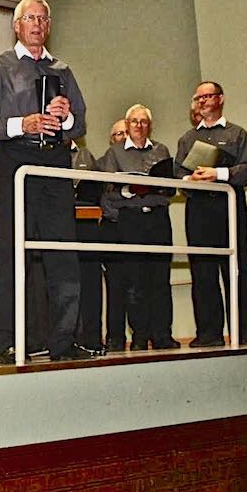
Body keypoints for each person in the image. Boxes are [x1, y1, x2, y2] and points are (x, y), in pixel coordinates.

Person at [0, 0, 88, 364]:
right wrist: (23, 123)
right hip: (17, 160)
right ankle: (5, 340)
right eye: (30, 18)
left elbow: (80, 125)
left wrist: (66, 117)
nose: (37, 24)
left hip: (55, 162)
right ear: (16, 26)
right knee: (13, 253)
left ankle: (64, 340)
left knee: (63, 253)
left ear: (48, 27)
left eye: (42, 19)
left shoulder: (63, 70)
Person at [175, 81, 247, 347]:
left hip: (229, 206)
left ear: (220, 99)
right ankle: (208, 333)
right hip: (198, 209)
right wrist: (191, 179)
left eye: (207, 96)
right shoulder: (187, 139)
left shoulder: (237, 134)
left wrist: (218, 174)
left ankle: (244, 331)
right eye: (198, 98)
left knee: (238, 268)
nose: (202, 101)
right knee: (202, 271)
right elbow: (177, 174)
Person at [100, 105, 177, 350]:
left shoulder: (161, 150)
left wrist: (152, 187)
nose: (139, 126)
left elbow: (170, 189)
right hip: (131, 220)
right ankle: (140, 336)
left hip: (158, 219)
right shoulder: (114, 152)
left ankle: (162, 334)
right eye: (134, 121)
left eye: (143, 122)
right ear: (127, 124)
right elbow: (109, 191)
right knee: (134, 280)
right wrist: (130, 189)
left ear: (149, 126)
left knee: (160, 278)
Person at [71, 140, 104, 353]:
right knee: (64, 284)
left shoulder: (86, 155)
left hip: (87, 223)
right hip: (59, 224)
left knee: (91, 284)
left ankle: (92, 338)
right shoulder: (43, 153)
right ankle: (67, 339)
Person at [100, 119, 130, 351]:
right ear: (112, 139)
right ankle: (115, 337)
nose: (123, 137)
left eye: (126, 133)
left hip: (137, 225)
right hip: (112, 227)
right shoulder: (101, 164)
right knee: (115, 286)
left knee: (140, 283)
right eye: (118, 133)